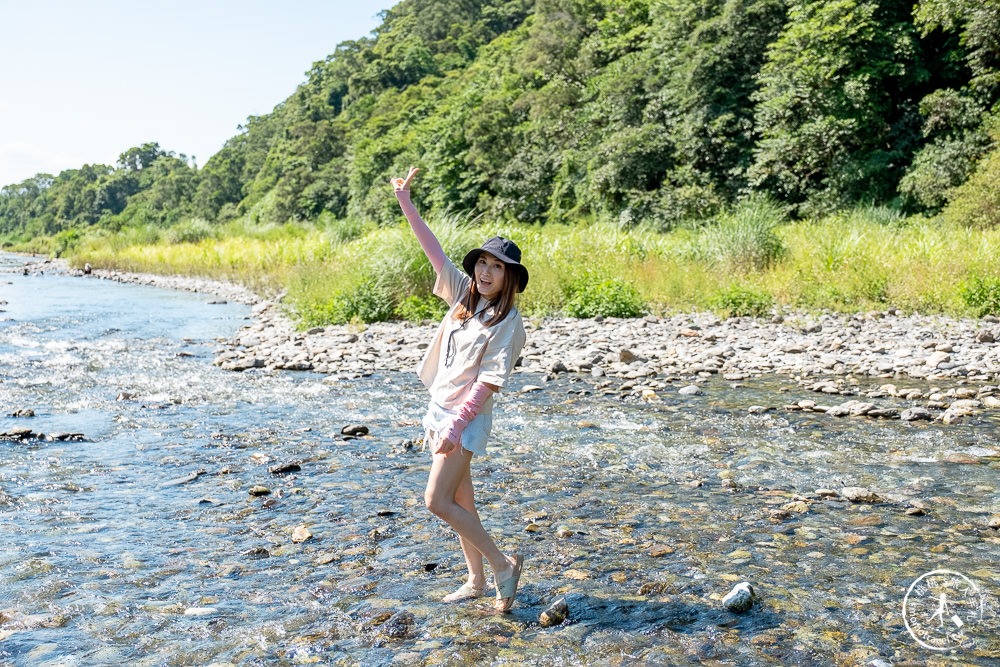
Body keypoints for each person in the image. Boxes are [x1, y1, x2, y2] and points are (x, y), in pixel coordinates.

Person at [392, 166, 526, 612]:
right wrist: (406, 202)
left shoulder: (508, 322)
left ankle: (502, 565)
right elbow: (433, 251)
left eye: (497, 267)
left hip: (464, 421)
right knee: (462, 501)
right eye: (482, 263)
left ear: (510, 277)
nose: (486, 271)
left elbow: (490, 381)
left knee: (436, 501)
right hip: (439, 410)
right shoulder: (464, 295)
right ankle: (476, 580)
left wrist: (456, 425)